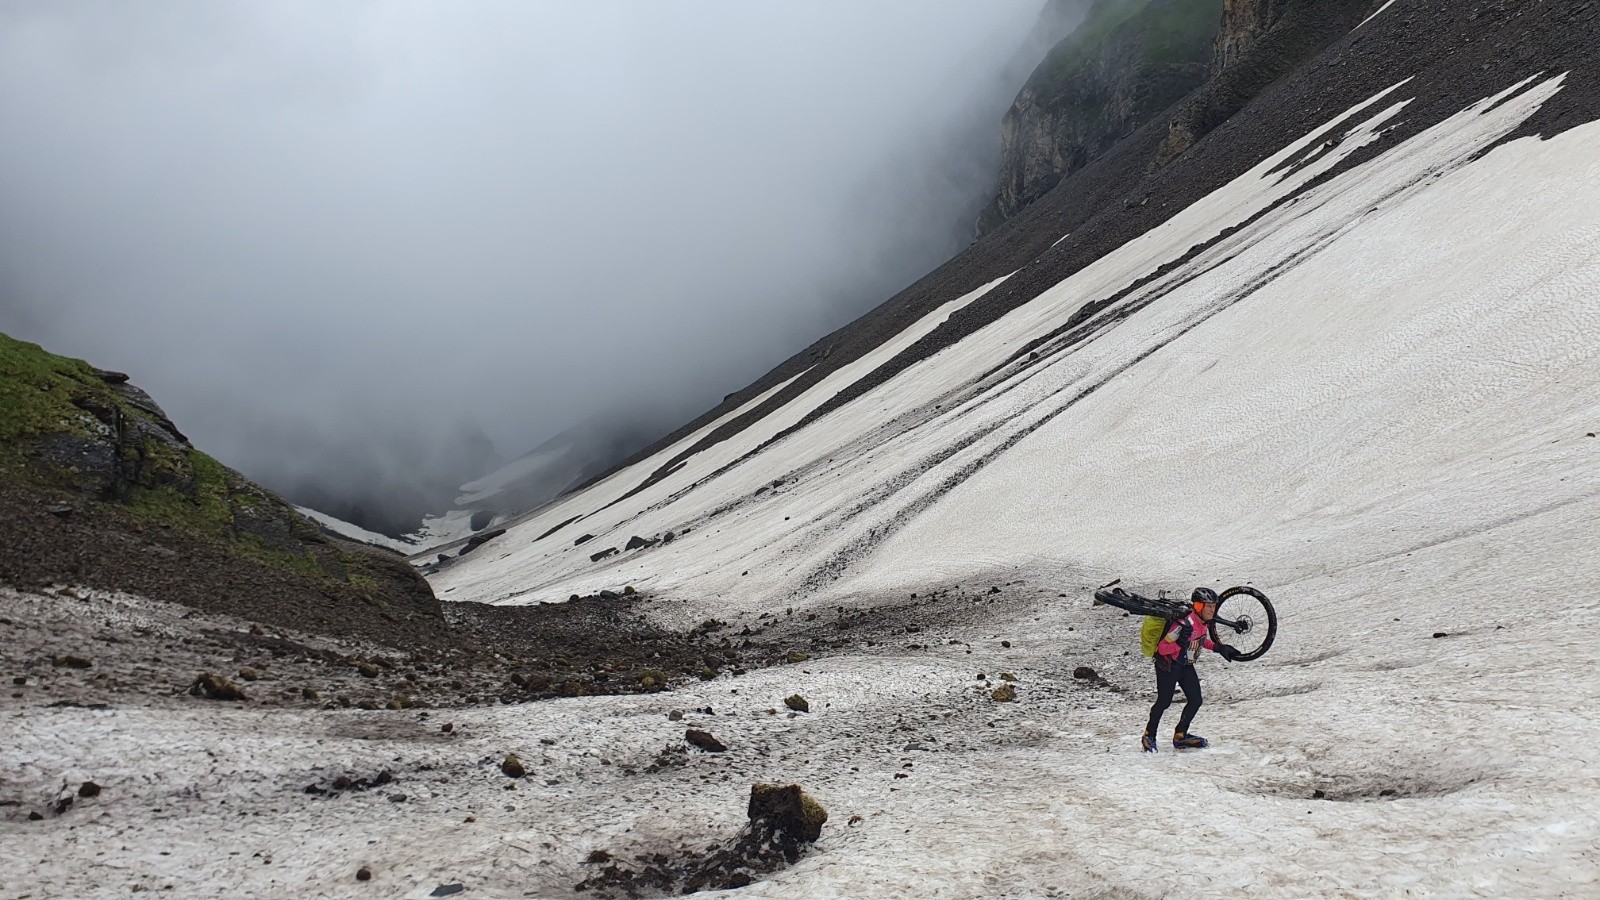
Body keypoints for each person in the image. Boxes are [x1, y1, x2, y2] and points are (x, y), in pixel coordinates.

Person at [1141, 587, 1237, 752]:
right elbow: (1162, 648)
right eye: (1208, 606)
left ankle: (1180, 735)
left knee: (1196, 700)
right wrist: (1178, 644)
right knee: (1164, 702)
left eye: (1214, 606)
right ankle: (1149, 735)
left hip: (1185, 666)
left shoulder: (1202, 623)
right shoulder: (1183, 624)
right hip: (1168, 666)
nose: (1212, 609)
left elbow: (1200, 641)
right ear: (1198, 606)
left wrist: (1219, 648)